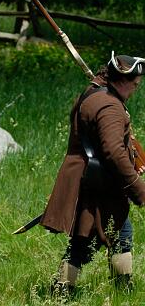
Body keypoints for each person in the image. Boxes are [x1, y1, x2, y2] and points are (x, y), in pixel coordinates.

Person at [40, 51, 145, 293]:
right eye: (135, 85)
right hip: (100, 184)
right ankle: (69, 290)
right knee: (91, 239)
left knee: (100, 236)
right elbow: (114, 153)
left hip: (92, 179)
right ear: (122, 81)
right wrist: (138, 189)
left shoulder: (94, 93)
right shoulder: (109, 106)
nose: (135, 90)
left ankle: (72, 290)